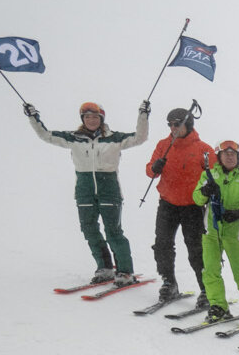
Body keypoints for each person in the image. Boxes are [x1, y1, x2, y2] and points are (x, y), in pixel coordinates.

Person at [25, 99, 152, 285]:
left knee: (113, 231)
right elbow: (46, 135)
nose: (91, 120)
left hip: (109, 189)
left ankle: (125, 272)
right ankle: (105, 268)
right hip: (84, 189)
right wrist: (33, 116)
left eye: (95, 117)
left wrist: (143, 115)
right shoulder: (73, 138)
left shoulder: (114, 138)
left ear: (102, 119)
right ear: (82, 119)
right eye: (87, 117)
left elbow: (140, 137)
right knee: (89, 229)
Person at [191, 140, 239, 323]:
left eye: (233, 154)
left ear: (238, 157)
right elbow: (197, 199)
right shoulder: (208, 176)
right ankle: (218, 306)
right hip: (211, 233)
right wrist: (205, 191)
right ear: (219, 157)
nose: (230, 157)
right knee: (210, 271)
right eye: (226, 154)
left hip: (235, 234)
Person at [144, 106, 213, 302]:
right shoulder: (163, 145)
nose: (173, 128)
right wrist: (155, 167)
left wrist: (210, 190)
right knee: (162, 245)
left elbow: (215, 175)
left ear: (188, 125)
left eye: (177, 124)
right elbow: (150, 171)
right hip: (167, 203)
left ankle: (207, 289)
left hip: (193, 206)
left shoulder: (203, 149)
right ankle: (169, 283)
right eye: (170, 124)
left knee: (196, 249)